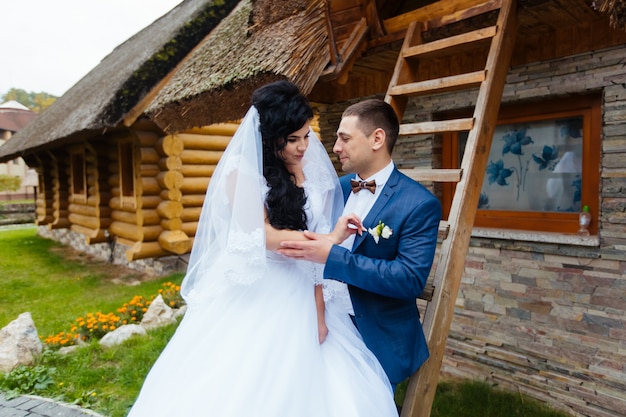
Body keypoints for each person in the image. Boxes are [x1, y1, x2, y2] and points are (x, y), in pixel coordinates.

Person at [126, 81, 399, 417]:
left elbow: (315, 252)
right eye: (293, 140)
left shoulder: (314, 173)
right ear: (270, 139)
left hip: (305, 288)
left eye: (306, 136)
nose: (303, 147)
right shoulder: (241, 173)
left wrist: (319, 311)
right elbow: (263, 235)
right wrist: (329, 241)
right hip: (261, 290)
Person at [279, 98, 442, 390]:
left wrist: (333, 256)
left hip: (374, 335)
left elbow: (408, 280)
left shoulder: (419, 204)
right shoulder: (335, 189)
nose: (335, 147)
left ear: (377, 139)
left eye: (344, 138)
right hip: (320, 321)